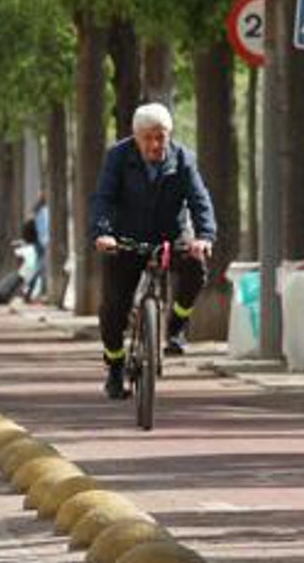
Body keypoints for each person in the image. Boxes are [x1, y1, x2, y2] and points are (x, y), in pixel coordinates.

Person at [91, 102, 217, 400]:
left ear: (169, 135)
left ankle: (175, 327)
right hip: (126, 239)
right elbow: (104, 199)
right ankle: (115, 367)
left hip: (169, 236)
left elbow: (200, 200)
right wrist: (103, 233)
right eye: (147, 137)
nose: (155, 144)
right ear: (135, 137)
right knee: (113, 309)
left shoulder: (183, 159)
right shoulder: (118, 158)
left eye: (161, 137)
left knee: (195, 266)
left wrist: (205, 236)